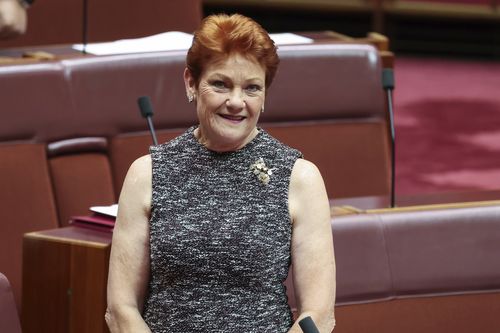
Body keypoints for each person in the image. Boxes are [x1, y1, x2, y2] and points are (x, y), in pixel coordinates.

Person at [105, 13, 336, 333]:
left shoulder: (299, 178)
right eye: (220, 84)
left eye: (252, 88)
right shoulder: (148, 174)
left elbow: (318, 316)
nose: (236, 102)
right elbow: (120, 309)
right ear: (191, 83)